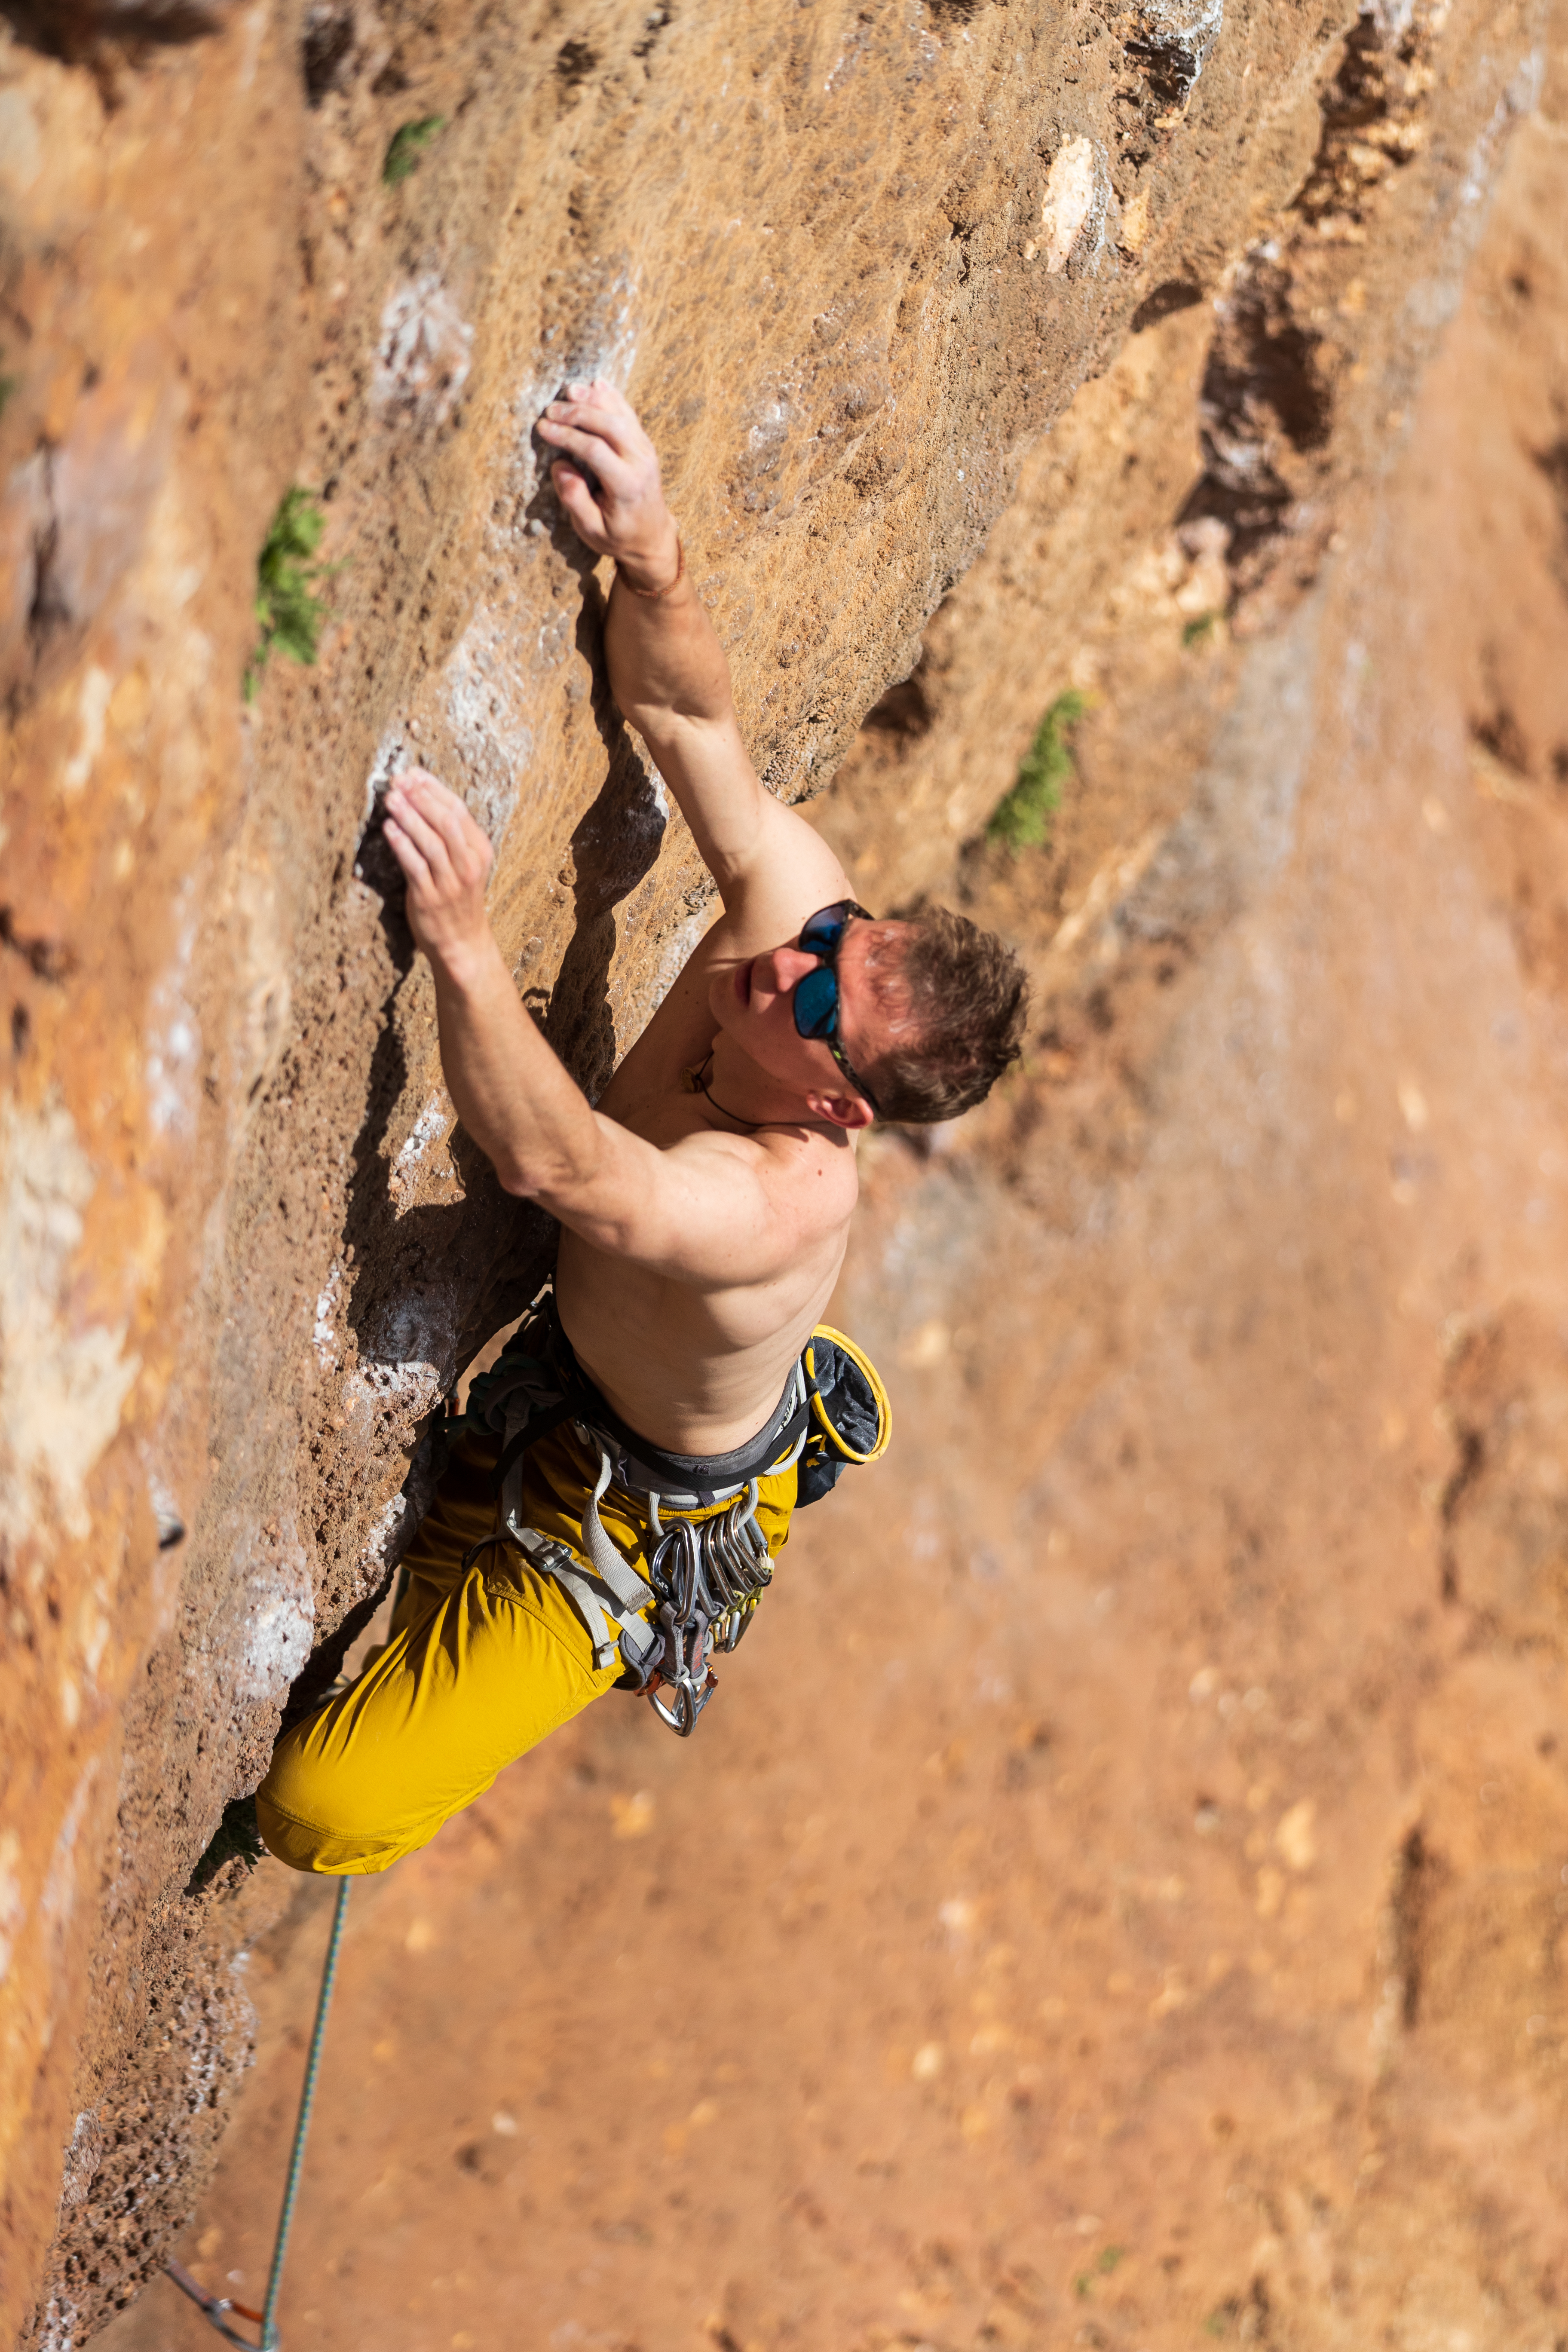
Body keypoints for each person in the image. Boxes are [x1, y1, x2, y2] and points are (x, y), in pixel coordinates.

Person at [257, 383, 1027, 1874]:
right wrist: (657, 559)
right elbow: (684, 715)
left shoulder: (770, 1201)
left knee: (317, 1814)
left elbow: (557, 1169)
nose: (785, 962)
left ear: (838, 1105)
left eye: (822, 1006)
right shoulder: (795, 922)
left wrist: (469, 948)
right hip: (638, 1361)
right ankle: (780, 1400)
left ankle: (762, 1460)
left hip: (632, 1500)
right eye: (840, 939)